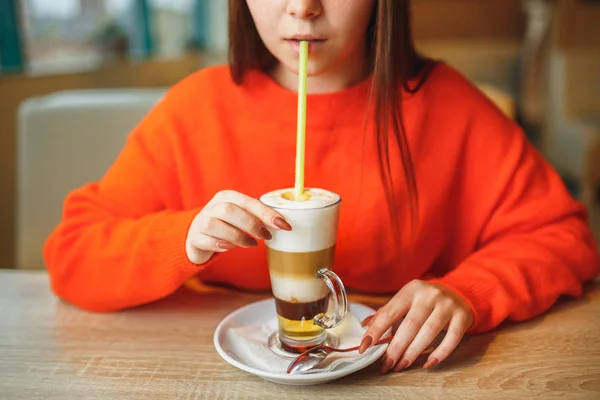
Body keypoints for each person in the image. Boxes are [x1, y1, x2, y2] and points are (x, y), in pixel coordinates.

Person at [43, 0, 599, 375]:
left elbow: (561, 236)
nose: (304, 6)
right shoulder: (196, 109)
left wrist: (470, 291)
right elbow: (72, 253)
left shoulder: (451, 108)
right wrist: (183, 238)